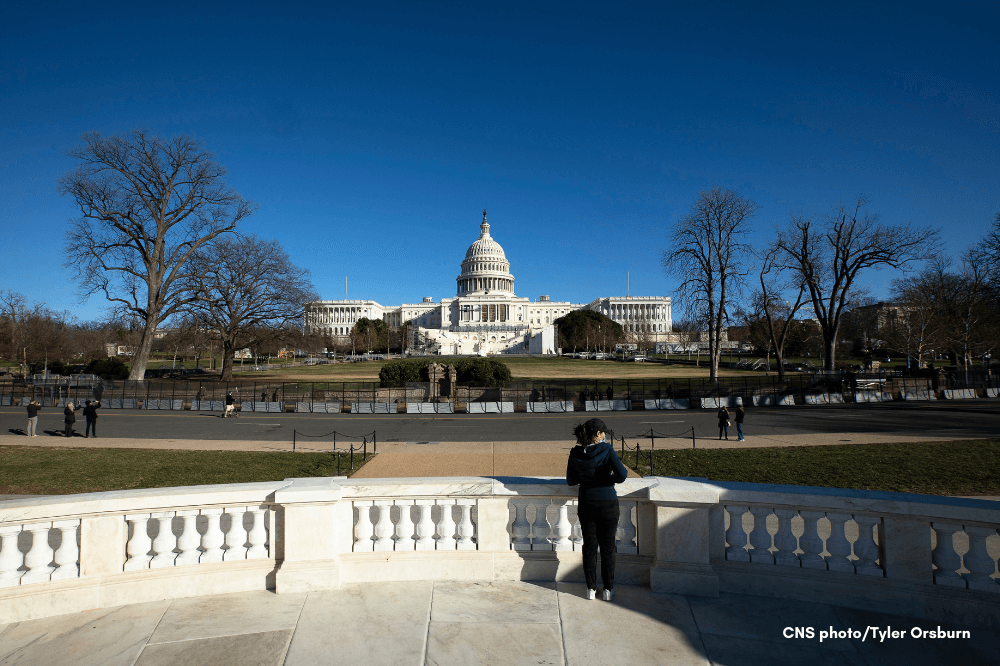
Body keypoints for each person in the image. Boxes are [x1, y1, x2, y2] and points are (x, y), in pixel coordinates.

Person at [566, 417, 628, 602]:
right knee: (608, 547)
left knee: (590, 547)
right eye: (603, 432)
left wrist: (588, 479)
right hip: (608, 501)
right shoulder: (606, 449)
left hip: (587, 502)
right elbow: (622, 475)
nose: (604, 435)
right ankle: (608, 589)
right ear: (598, 434)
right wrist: (607, 479)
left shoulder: (575, 452)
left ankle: (590, 589)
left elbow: (570, 480)